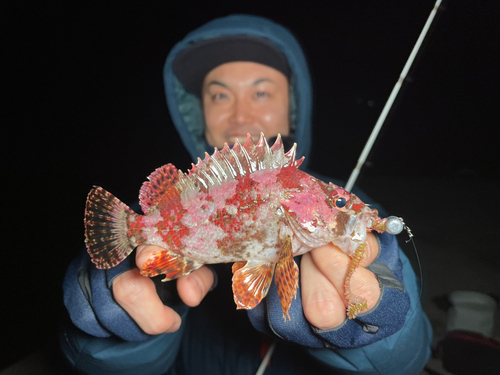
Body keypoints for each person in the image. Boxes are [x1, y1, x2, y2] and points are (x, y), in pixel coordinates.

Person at [61, 14, 432, 374]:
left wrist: (377, 336)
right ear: (199, 112)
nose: (240, 115)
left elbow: (407, 363)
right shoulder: (185, 199)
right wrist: (109, 325)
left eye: (260, 91)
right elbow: (91, 363)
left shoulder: (344, 201)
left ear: (292, 107)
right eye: (220, 95)